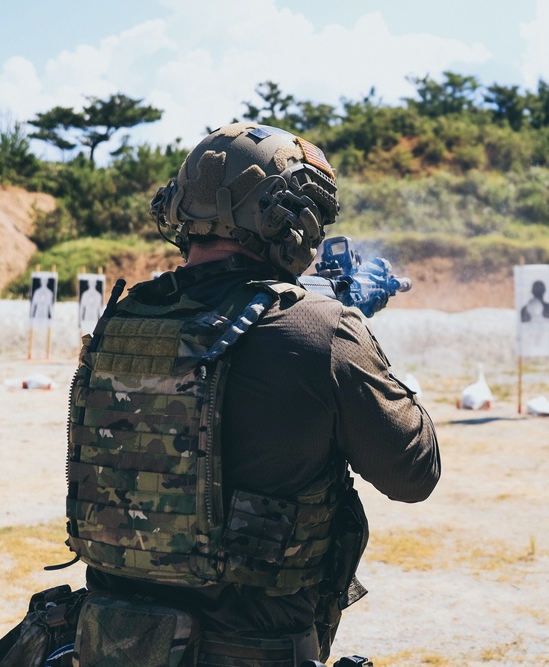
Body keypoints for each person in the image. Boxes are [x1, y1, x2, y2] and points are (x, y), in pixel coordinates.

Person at [63, 122, 440, 667]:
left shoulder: (125, 320)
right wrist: (353, 331)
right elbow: (415, 474)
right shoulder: (322, 333)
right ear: (285, 216)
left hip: (111, 644)